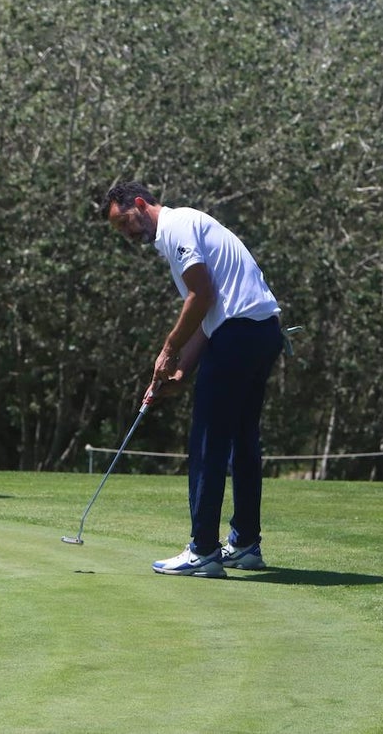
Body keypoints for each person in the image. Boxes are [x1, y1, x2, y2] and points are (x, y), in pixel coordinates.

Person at [103, 181, 283, 578]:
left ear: (139, 204)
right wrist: (181, 371)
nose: (127, 235)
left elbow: (199, 297)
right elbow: (207, 315)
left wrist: (167, 350)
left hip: (239, 334)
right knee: (240, 441)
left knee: (208, 441)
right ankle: (246, 544)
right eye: (119, 232)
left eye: (125, 223)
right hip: (261, 332)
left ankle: (203, 550)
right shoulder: (182, 234)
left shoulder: (177, 226)